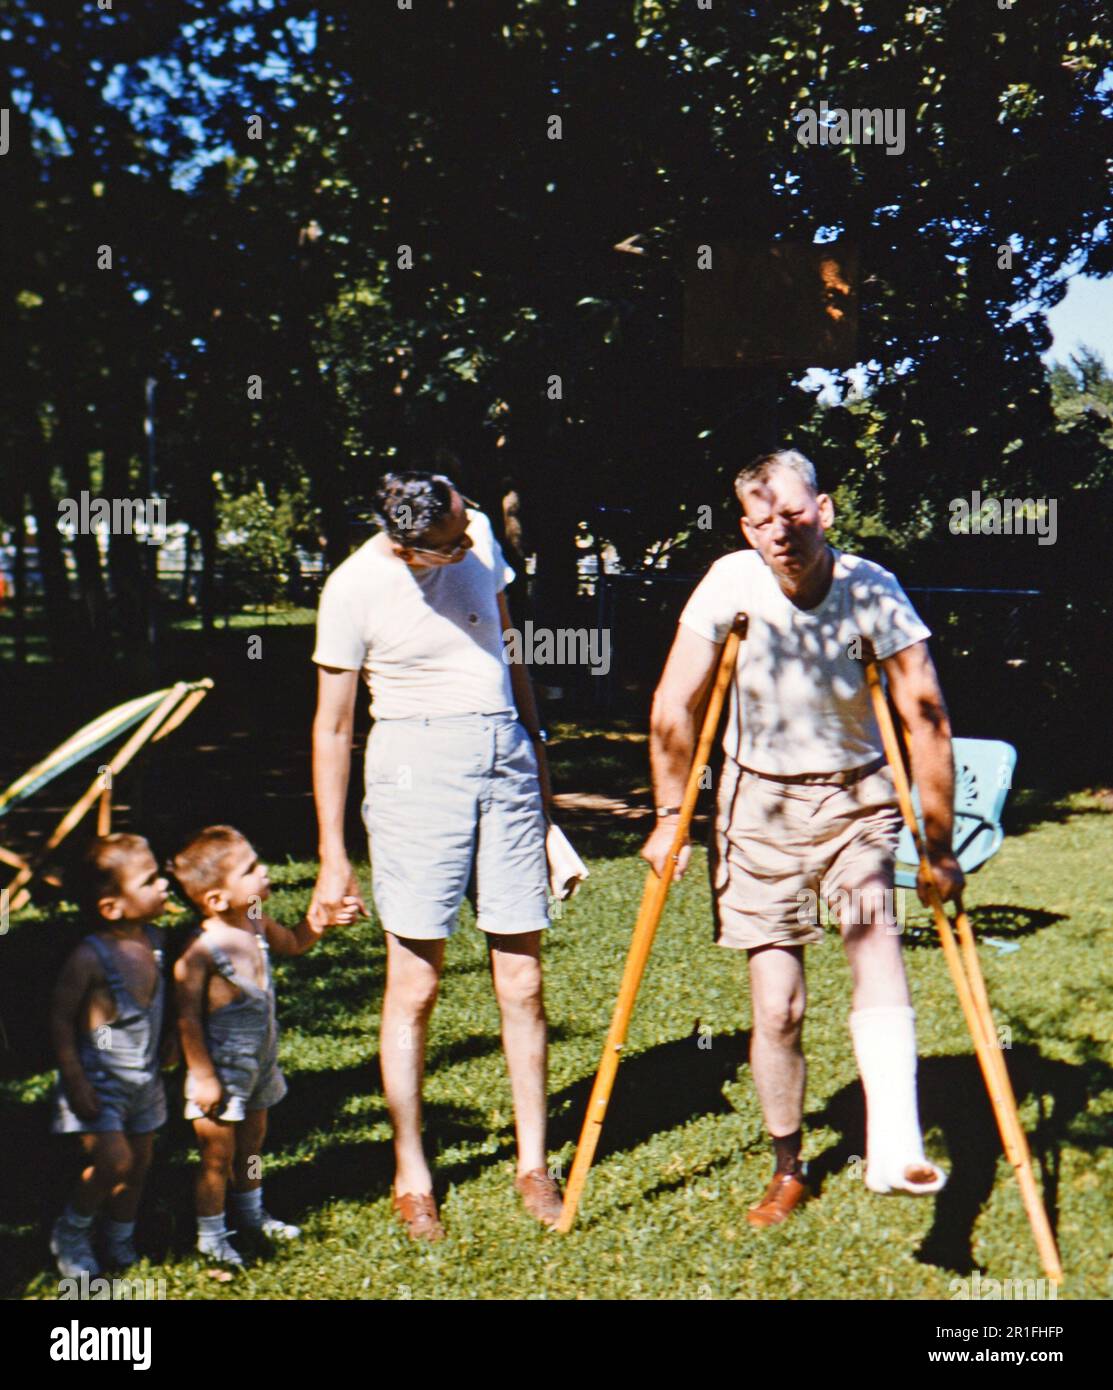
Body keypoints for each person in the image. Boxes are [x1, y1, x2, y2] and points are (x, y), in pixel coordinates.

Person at [642, 448, 963, 1228]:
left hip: (857, 798)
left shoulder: (869, 590)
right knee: (777, 1007)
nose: (778, 532)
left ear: (823, 509)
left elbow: (923, 717)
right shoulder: (730, 583)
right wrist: (667, 816)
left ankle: (893, 1144)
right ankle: (788, 1164)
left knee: (870, 936)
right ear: (745, 527)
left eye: (792, 513)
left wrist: (938, 842)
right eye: (761, 520)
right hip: (756, 805)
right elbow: (673, 705)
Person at [309, 470, 561, 1240]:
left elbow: (508, 650)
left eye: (465, 525)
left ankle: (533, 1162)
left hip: (504, 757)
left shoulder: (474, 526)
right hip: (414, 770)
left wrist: (541, 781)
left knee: (521, 977)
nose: (470, 542)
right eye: (451, 545)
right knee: (415, 985)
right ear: (409, 547)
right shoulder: (352, 590)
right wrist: (331, 856)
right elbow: (331, 728)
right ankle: (412, 1174)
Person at [171, 825, 358, 1267]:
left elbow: (293, 943)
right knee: (217, 1156)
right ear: (216, 899)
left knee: (252, 1144)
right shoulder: (201, 951)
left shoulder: (254, 917)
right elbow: (186, 1019)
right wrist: (202, 1076)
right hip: (220, 1071)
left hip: (261, 1059)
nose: (265, 870)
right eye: (251, 869)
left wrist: (321, 922)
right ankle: (211, 1235)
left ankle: (251, 1213)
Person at [49, 834, 175, 1276]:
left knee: (138, 1166)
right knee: (113, 1162)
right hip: (98, 1083)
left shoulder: (156, 941)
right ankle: (72, 1232)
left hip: (145, 1078)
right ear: (111, 907)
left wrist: (173, 1037)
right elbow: (62, 1020)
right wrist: (75, 1079)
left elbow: (164, 999)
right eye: (150, 880)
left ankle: (119, 1238)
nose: (164, 885)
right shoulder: (91, 957)